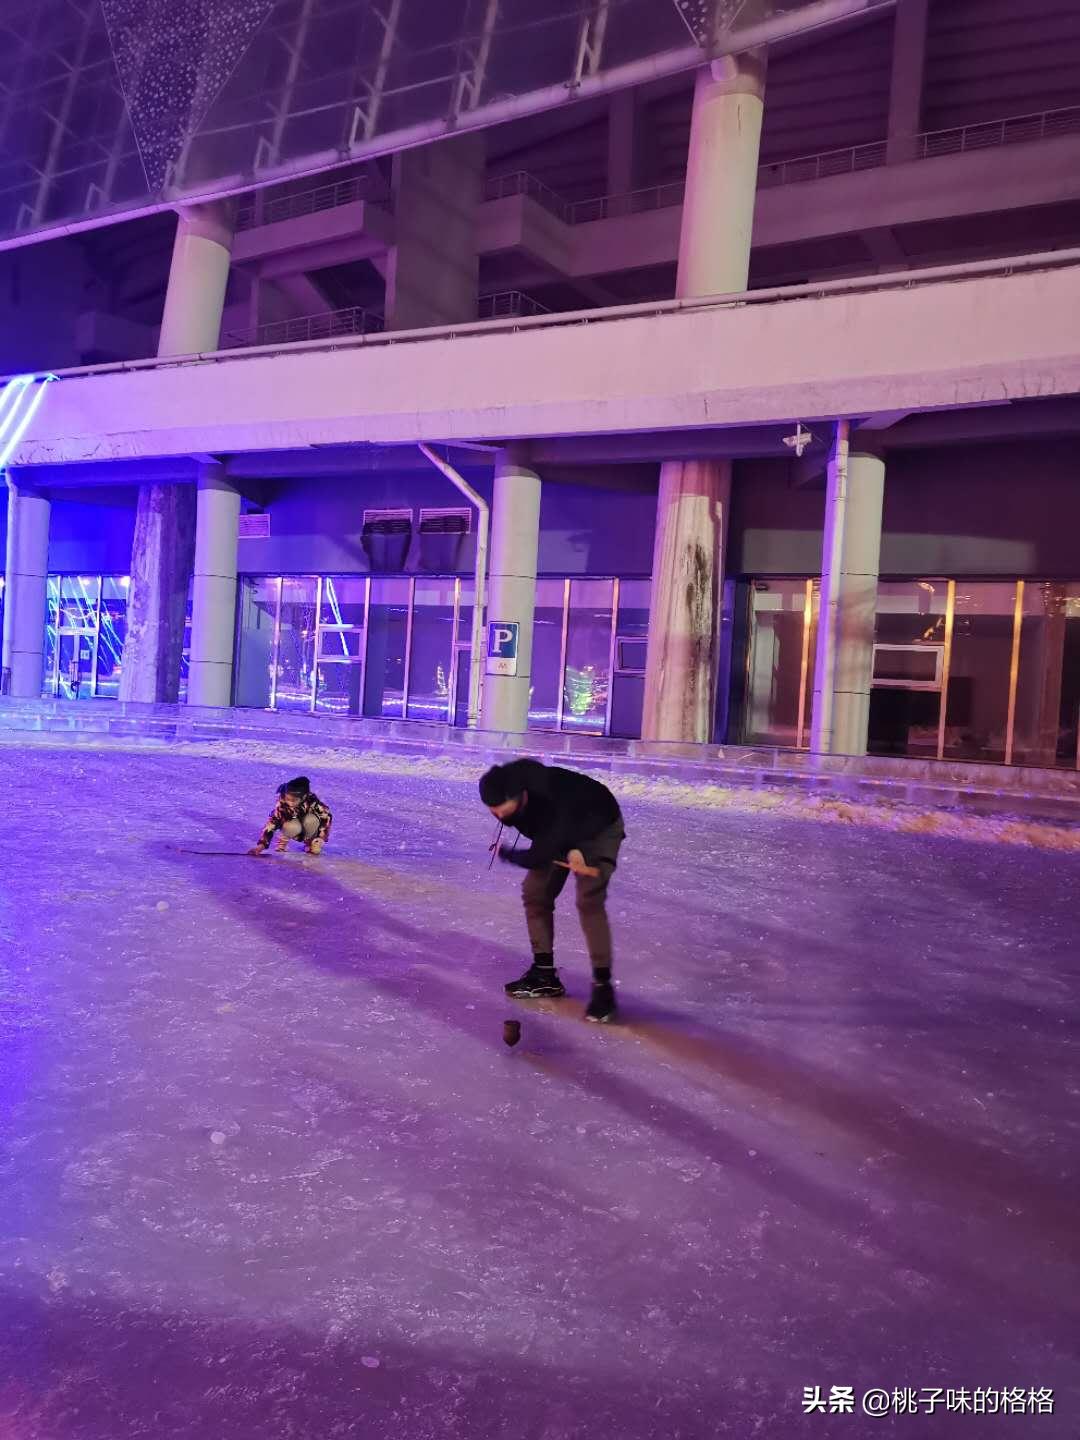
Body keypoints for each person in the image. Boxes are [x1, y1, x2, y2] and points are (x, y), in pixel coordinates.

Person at [478, 758, 625, 1023]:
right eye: (492, 810)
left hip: (599, 824)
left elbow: (539, 854)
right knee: (535, 893)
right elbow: (549, 843)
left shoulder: (548, 804)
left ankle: (603, 989)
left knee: (588, 901)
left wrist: (509, 854)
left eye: (502, 809)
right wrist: (565, 848)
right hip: (559, 831)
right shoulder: (511, 785)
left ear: (519, 796)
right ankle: (544, 973)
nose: (498, 815)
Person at [248, 776, 332, 857]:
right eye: (288, 799)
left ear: (304, 797)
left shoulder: (313, 803)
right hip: (293, 828)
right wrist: (261, 846)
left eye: (294, 800)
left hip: (309, 828)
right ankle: (282, 844)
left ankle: (310, 844)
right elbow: (271, 824)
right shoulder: (282, 805)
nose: (290, 803)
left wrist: (321, 837)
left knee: (311, 819)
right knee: (290, 825)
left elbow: (327, 817)